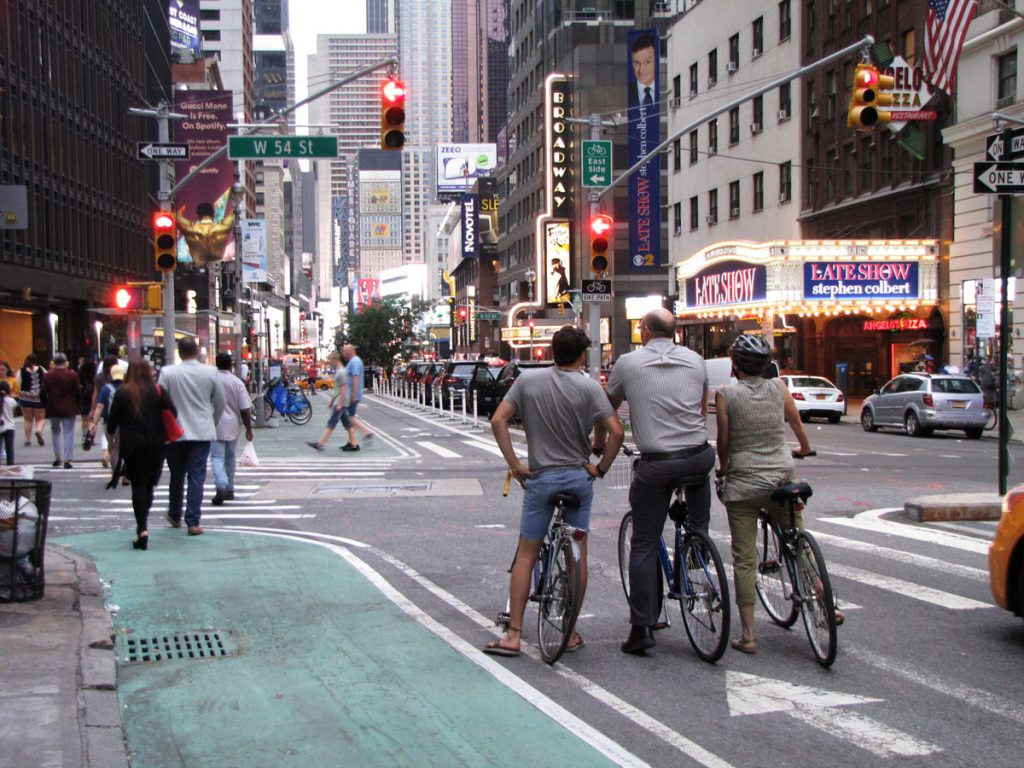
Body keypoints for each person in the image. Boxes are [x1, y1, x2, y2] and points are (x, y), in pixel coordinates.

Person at [484, 326, 624, 657]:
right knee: (579, 556)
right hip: (577, 478)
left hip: (540, 478)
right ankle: (570, 632)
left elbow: (498, 420)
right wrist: (600, 468)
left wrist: (516, 465)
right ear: (581, 356)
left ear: (550, 352)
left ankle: (514, 635)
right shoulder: (590, 388)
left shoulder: (528, 381)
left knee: (527, 553)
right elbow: (616, 431)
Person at [600, 307, 716, 655]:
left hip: (657, 463)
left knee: (645, 541)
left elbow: (607, 407)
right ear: (675, 331)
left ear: (645, 330)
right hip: (699, 455)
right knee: (698, 515)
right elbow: (699, 409)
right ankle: (698, 547)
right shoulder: (696, 360)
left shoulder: (628, 363)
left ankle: (642, 627)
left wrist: (597, 442)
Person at [714, 334, 822, 656]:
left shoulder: (726, 395)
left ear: (735, 365)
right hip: (781, 479)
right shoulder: (779, 388)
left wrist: (723, 468)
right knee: (797, 536)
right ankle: (824, 598)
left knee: (745, 560)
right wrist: (804, 449)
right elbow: (797, 423)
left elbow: (724, 441)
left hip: (744, 485)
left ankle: (748, 635)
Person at [158, 338, 225, 536]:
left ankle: (174, 513)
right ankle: (193, 521)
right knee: (197, 475)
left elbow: (159, 399)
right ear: (197, 351)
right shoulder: (210, 372)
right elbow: (220, 402)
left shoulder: (168, 373)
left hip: (174, 431)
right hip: (202, 430)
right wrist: (212, 420)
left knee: (176, 475)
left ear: (179, 352)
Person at [107, 360, 175, 550]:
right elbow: (173, 412)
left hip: (132, 444)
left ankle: (142, 528)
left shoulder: (123, 392)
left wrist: (111, 437)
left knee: (138, 483)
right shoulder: (157, 391)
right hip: (156, 443)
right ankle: (143, 521)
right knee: (150, 484)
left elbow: (113, 421)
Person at [211, 352, 253, 505]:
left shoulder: (211, 381)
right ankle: (229, 488)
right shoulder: (237, 382)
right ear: (231, 365)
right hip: (233, 425)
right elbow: (245, 408)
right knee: (230, 457)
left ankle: (221, 485)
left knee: (216, 457)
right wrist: (249, 429)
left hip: (214, 424)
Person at [42, 353, 82, 469]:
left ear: (54, 363)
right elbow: (78, 392)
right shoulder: (72, 375)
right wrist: (77, 404)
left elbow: (43, 392)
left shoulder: (48, 376)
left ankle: (57, 457)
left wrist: (46, 404)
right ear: (65, 363)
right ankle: (68, 459)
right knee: (68, 433)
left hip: (53, 406)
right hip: (69, 407)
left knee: (55, 431)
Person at [307, 351, 352, 452]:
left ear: (336, 360)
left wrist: (339, 403)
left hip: (341, 401)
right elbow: (337, 388)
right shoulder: (339, 371)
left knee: (332, 422)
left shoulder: (342, 372)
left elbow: (344, 388)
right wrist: (332, 400)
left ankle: (320, 443)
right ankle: (353, 442)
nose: (331, 363)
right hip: (340, 400)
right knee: (347, 423)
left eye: (331, 360)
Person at [339, 344, 374, 451]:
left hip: (352, 394)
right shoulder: (355, 361)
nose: (343, 353)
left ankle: (366, 432)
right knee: (349, 417)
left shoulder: (354, 362)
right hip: (352, 394)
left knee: (348, 417)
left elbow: (355, 377)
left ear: (350, 351)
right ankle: (352, 442)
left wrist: (353, 394)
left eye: (345, 351)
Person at [18, 354, 46, 447]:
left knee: (28, 420)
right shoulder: (41, 369)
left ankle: (28, 440)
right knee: (41, 419)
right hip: (39, 398)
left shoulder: (21, 371)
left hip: (25, 397)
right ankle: (38, 430)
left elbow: (18, 383)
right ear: (35, 361)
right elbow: (47, 379)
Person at [629, 33, 657, 107]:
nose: (641, 70)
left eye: (647, 62)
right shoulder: (629, 92)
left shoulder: (663, 90)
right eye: (637, 63)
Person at [78, 359, 97, 448]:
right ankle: (91, 437)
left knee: (84, 419)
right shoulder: (95, 376)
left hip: (83, 397)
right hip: (93, 397)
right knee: (92, 419)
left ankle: (84, 436)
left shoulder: (80, 375)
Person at [0, 381, 15, 465]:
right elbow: (16, 408)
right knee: (9, 447)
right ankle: (10, 464)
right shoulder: (11, 400)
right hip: (10, 427)